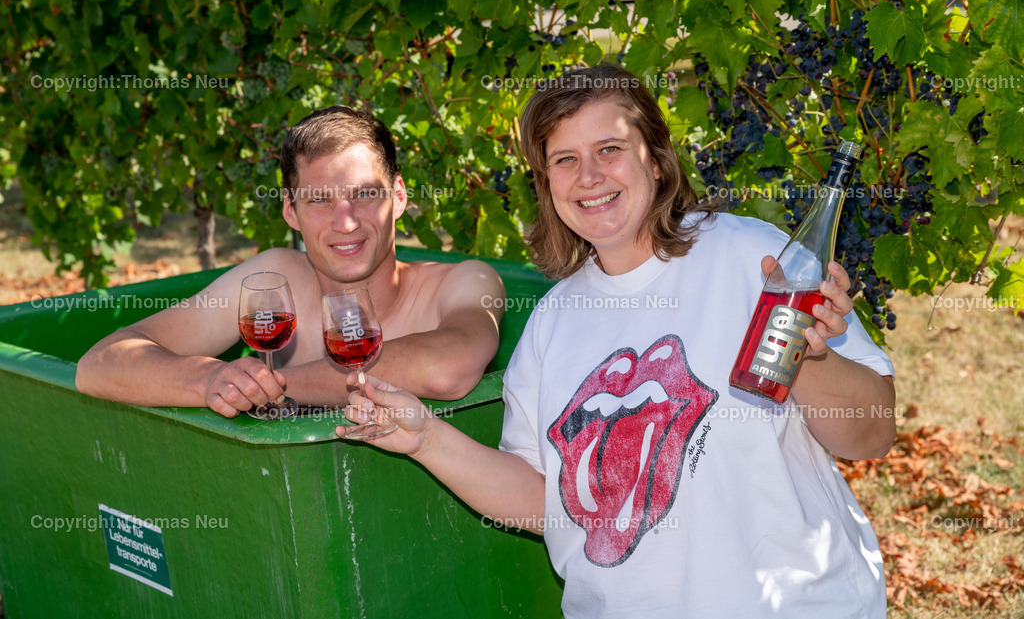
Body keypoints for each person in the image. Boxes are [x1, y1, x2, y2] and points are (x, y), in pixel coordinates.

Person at [336, 65, 897, 618]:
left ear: (655, 159)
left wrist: (812, 357)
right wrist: (423, 438)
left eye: (609, 149)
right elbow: (544, 500)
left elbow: (871, 434)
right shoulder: (551, 322)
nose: (589, 176)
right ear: (546, 182)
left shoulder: (755, 260)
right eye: (564, 160)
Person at [76, 106, 505, 417]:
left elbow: (447, 365)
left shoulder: (465, 281)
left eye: (364, 194)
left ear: (398, 196)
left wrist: (272, 388)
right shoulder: (276, 282)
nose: (346, 222)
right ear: (290, 211)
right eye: (319, 200)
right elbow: (101, 364)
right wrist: (209, 382)